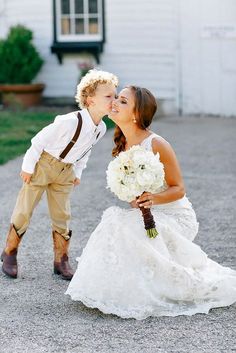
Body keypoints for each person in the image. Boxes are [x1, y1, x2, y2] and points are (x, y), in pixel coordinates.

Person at [66, 86, 236, 319]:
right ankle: (114, 286)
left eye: (123, 101)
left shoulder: (157, 144)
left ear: (137, 114)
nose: (114, 102)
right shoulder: (122, 143)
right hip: (149, 215)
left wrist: (154, 198)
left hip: (177, 217)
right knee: (114, 222)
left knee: (120, 222)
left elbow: (179, 188)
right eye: (116, 98)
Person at [1, 70, 118, 280]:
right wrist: (28, 167)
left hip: (66, 172)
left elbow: (85, 151)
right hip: (44, 166)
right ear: (90, 100)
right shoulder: (70, 121)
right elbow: (38, 141)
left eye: (115, 96)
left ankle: (61, 260)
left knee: (62, 215)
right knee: (24, 210)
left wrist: (78, 172)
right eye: (108, 96)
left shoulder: (100, 128)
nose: (114, 100)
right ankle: (10, 252)